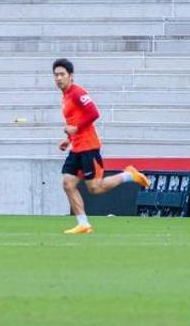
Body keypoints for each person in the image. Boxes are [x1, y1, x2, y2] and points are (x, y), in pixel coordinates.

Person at [52, 58, 150, 235]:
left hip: (89, 147)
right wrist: (69, 138)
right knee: (68, 183)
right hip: (76, 147)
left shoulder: (77, 92)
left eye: (62, 74)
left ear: (70, 76)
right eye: (56, 75)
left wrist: (75, 128)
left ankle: (129, 176)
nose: (59, 78)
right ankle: (83, 224)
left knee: (95, 188)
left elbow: (94, 112)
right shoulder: (65, 96)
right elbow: (75, 121)